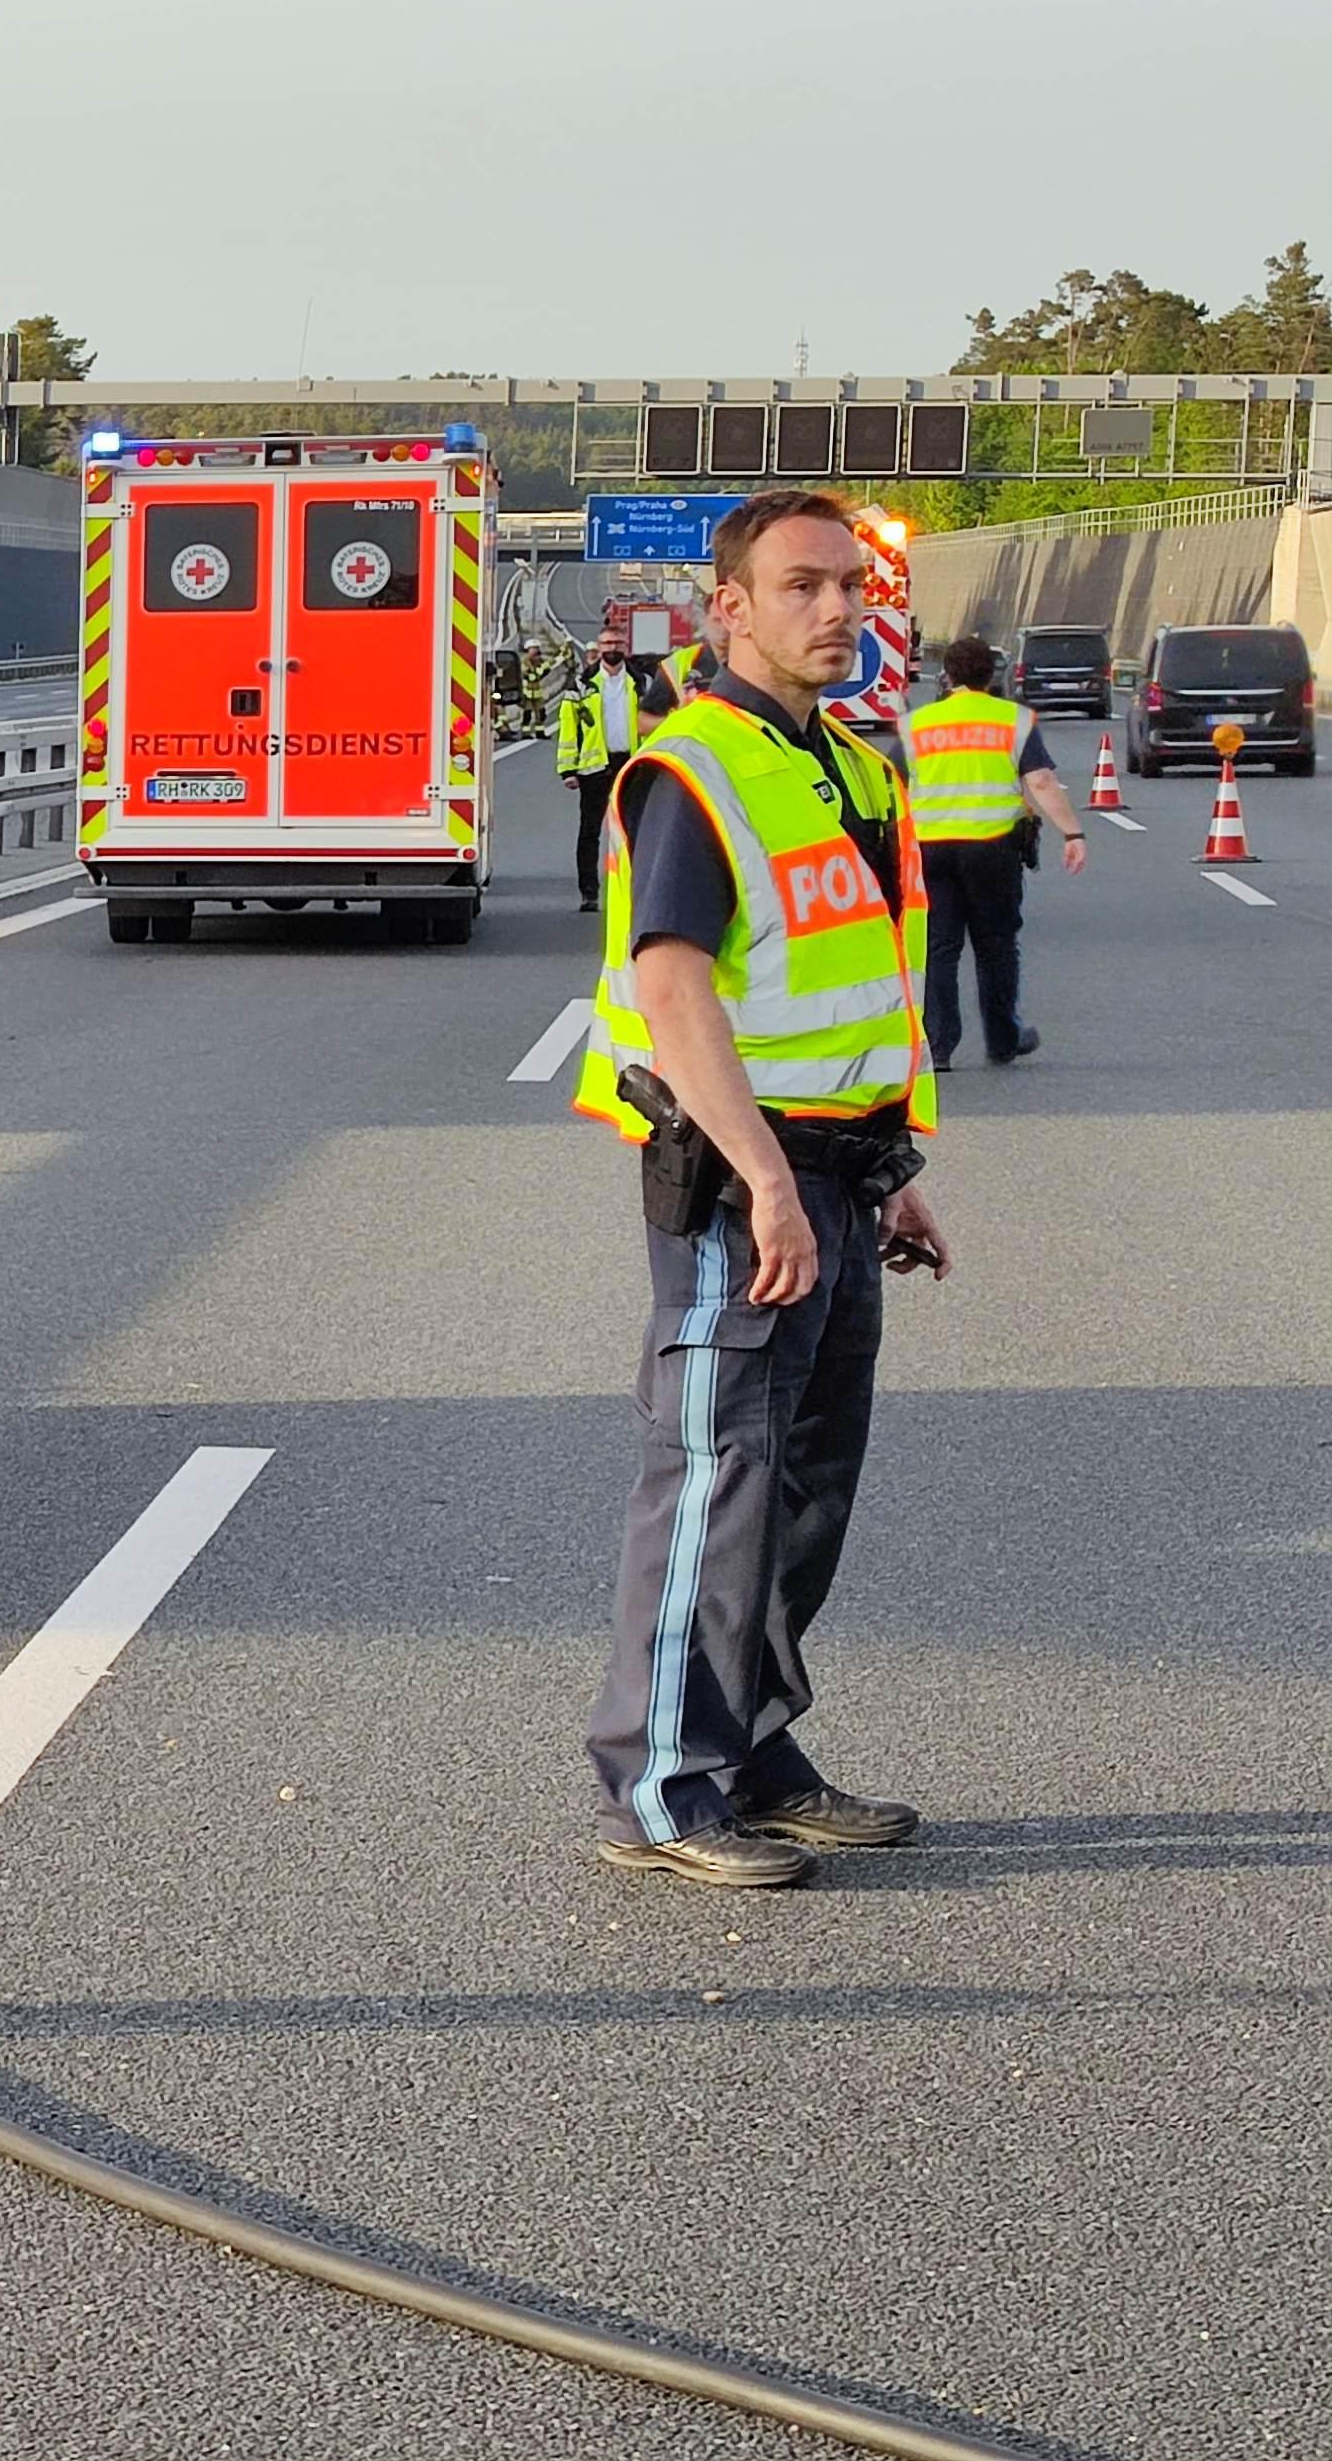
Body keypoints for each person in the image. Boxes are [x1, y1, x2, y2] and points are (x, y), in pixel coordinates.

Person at [576, 489, 955, 1891]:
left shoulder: (843, 762)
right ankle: (660, 1785)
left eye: (850, 584)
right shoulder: (696, 769)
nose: (839, 608)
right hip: (746, 1179)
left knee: (803, 1484)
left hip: (843, 1173)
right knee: (714, 1478)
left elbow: (850, 982)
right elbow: (674, 995)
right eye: (802, 586)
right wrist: (767, 1186)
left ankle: (752, 1751)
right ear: (730, 607)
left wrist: (891, 1171)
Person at [900, 637, 1086, 1068]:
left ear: (946, 676)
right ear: (991, 675)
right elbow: (1039, 782)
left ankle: (939, 1046)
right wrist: (1072, 833)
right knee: (996, 945)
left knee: (939, 947)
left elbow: (893, 783)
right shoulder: (1012, 720)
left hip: (930, 849)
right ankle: (1003, 1038)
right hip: (992, 848)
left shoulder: (918, 724)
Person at [558, 649, 656, 910]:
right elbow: (569, 727)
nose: (612, 647)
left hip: (634, 764)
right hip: (595, 768)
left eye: (617, 641)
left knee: (638, 831)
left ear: (625, 646)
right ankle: (589, 893)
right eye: (607, 642)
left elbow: (657, 723)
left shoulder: (642, 683)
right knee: (590, 832)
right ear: (599, 648)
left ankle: (638, 892)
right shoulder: (582, 685)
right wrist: (568, 769)